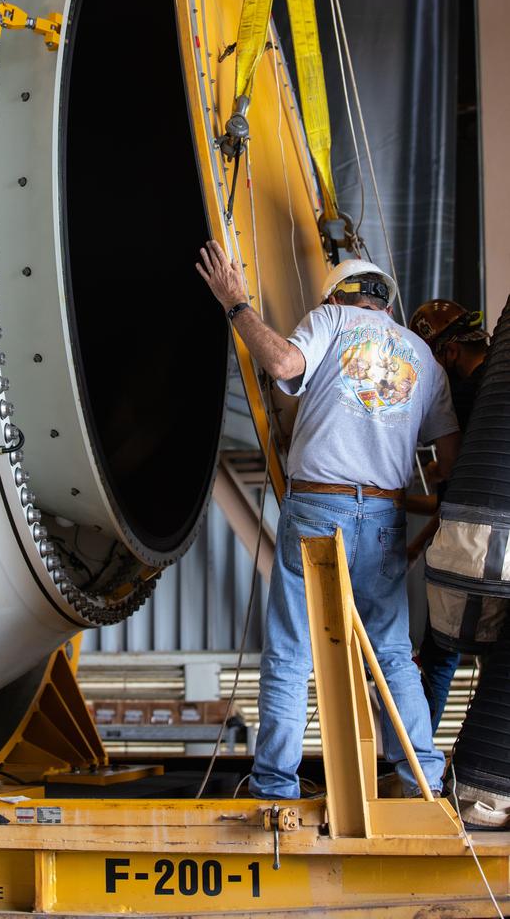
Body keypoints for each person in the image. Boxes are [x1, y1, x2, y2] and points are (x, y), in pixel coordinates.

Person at [196, 242, 460, 798]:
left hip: (318, 506)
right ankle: (424, 779)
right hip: (386, 514)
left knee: (293, 650)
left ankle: (274, 785)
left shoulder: (331, 320)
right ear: (385, 303)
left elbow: (284, 365)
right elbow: (449, 461)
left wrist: (234, 302)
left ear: (340, 295)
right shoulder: (421, 355)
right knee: (391, 650)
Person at [407, 300, 490, 733]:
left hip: (473, 552)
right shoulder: (496, 385)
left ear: (450, 353)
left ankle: (416, 767)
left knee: (439, 657)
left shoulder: (460, 398)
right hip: (494, 545)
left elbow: (451, 501)